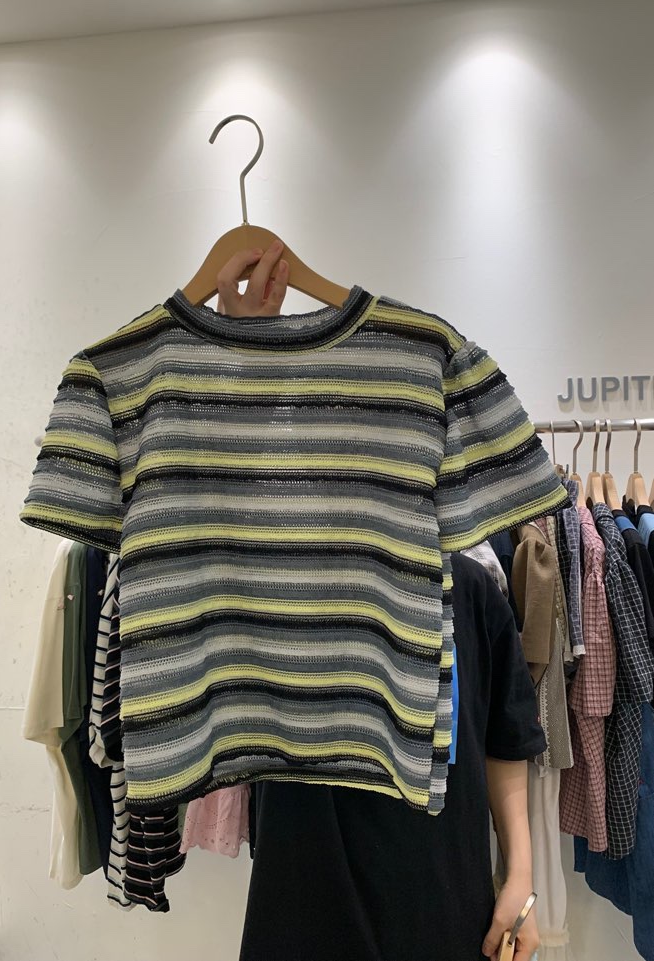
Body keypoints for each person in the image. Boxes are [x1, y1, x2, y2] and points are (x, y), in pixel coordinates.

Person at [215, 242, 543, 961]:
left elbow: (506, 740)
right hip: (301, 910)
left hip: (444, 907)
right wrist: (245, 353)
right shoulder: (273, 577)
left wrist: (519, 875)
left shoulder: (471, 589)